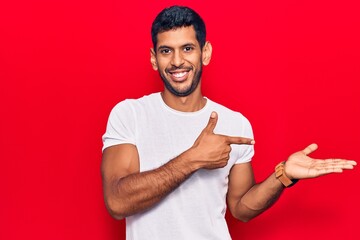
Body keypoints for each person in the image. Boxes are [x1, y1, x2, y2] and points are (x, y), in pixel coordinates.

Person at [101, 5, 356, 240]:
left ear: (206, 53)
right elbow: (117, 202)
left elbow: (242, 208)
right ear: (154, 58)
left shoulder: (235, 123)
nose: (177, 61)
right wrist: (194, 158)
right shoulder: (130, 114)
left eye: (187, 48)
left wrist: (283, 176)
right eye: (166, 51)